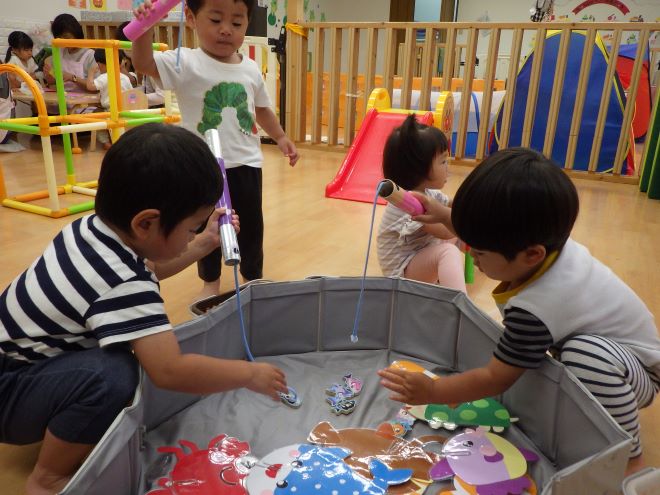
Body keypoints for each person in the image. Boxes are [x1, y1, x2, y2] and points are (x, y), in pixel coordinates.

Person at [0, 123, 288, 495]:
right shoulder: (122, 282)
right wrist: (249, 374)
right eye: (191, 228)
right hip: (9, 390)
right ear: (146, 223)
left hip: (18, 364)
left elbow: (148, 269)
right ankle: (47, 477)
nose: (192, 236)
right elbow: (169, 370)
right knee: (115, 375)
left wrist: (202, 244)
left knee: (115, 360)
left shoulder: (92, 231)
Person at [378, 147, 660, 474]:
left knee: (586, 355)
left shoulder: (537, 307)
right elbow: (491, 234)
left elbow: (494, 378)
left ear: (531, 255)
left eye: (479, 253)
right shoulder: (545, 242)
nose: (472, 257)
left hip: (634, 371)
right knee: (566, 360)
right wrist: (442, 214)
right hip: (617, 358)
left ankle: (628, 456)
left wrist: (434, 390)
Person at [131, 0, 300, 301]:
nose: (226, 30)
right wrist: (144, 27)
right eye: (215, 20)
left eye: (236, 23)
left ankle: (251, 278)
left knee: (250, 227)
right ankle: (210, 280)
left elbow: (262, 109)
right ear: (191, 18)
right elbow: (143, 64)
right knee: (202, 227)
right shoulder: (185, 61)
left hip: (246, 163)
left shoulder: (250, 68)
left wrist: (281, 137)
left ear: (247, 23)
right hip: (201, 168)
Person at [377, 114, 466, 292]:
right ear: (419, 170)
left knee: (455, 237)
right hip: (401, 273)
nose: (448, 167)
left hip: (419, 257)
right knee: (449, 250)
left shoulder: (428, 193)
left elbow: (451, 205)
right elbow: (444, 230)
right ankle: (458, 302)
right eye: (443, 161)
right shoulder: (408, 204)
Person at [85, 48, 134, 149]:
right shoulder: (125, 78)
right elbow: (131, 94)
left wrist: (91, 73)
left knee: (96, 116)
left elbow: (90, 86)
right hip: (127, 110)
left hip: (111, 111)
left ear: (100, 65)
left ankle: (106, 142)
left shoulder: (105, 77)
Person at [43, 14, 96, 92]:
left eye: (66, 37)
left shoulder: (90, 55)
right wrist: (49, 75)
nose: (64, 42)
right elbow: (51, 81)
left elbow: (96, 87)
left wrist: (72, 78)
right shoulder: (60, 52)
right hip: (63, 97)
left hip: (84, 98)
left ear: (76, 33)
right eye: (60, 38)